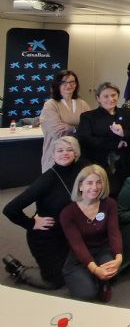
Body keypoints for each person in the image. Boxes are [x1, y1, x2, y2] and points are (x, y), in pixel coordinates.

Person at [2, 136, 85, 290]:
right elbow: (10, 209)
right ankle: (19, 270)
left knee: (82, 268)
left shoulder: (81, 169)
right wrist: (32, 223)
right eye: (59, 150)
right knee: (56, 281)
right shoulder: (47, 180)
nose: (65, 153)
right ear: (52, 155)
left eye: (69, 150)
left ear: (76, 153)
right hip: (47, 236)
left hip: (70, 231)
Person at [60, 165, 122, 302]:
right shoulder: (68, 213)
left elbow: (114, 232)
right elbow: (77, 244)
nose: (95, 187)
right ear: (80, 186)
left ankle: (100, 279)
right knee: (86, 294)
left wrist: (119, 258)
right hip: (78, 256)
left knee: (111, 270)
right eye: (89, 182)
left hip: (102, 250)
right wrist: (95, 269)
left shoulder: (109, 203)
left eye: (99, 182)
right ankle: (92, 277)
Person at [76, 82, 130, 197]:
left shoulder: (126, 113)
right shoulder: (88, 117)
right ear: (98, 98)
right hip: (99, 164)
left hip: (124, 165)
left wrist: (123, 133)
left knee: (125, 195)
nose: (111, 99)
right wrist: (115, 144)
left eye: (114, 95)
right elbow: (86, 140)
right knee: (104, 196)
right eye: (106, 96)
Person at [40, 70, 90, 172]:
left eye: (72, 82)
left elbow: (92, 128)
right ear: (57, 85)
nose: (69, 85)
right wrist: (80, 128)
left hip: (79, 154)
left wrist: (72, 128)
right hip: (58, 155)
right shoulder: (51, 105)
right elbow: (58, 133)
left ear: (76, 85)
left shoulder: (83, 104)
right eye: (64, 82)